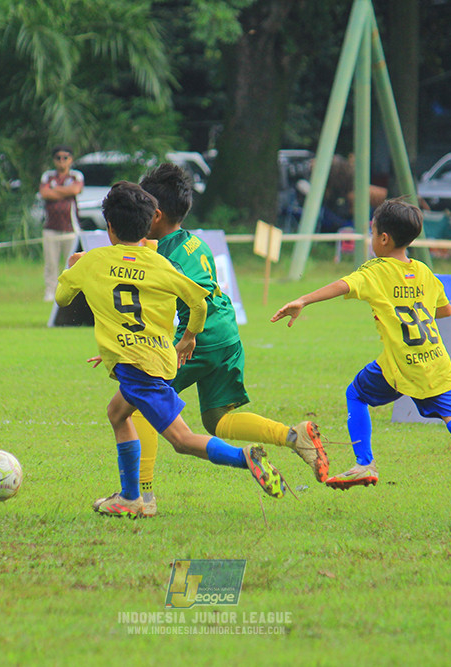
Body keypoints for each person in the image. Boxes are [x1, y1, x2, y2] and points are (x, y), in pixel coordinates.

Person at [106, 163, 327, 518]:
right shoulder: (195, 242)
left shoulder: (164, 258)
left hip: (198, 339)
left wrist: (186, 338)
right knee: (217, 420)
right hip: (226, 335)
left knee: (134, 402)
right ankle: (293, 436)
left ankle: (141, 495)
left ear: (156, 215)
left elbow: (193, 301)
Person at [271, 198, 451, 524]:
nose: (371, 237)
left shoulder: (376, 270)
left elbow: (343, 285)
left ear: (383, 238)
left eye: (372, 232)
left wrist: (303, 299)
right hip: (435, 363)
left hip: (400, 365)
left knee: (356, 394)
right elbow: (445, 309)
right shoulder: (423, 271)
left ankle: (364, 463)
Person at [56, 181, 285, 518]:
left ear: (109, 227)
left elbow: (62, 298)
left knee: (182, 440)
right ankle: (130, 496)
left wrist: (72, 267)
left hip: (139, 369)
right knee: (117, 412)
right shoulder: (159, 262)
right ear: (147, 224)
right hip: (157, 358)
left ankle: (243, 457)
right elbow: (199, 303)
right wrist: (189, 337)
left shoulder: (93, 262)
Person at [39, 144, 84, 302]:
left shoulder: (76, 176)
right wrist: (64, 192)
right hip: (51, 227)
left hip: (71, 227)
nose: (62, 161)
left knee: (72, 262)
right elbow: (44, 193)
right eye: (58, 158)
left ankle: (71, 292)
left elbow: (75, 190)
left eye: (65, 158)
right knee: (51, 263)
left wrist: (55, 190)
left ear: (71, 160)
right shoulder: (48, 176)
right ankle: (50, 292)